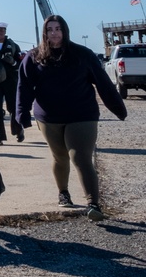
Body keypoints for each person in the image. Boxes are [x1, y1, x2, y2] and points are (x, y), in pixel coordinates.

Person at [16, 15, 127, 221]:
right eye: (50, 29)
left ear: (65, 31)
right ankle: (63, 192)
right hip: (49, 117)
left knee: (80, 157)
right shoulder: (34, 57)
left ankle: (93, 203)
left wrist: (118, 108)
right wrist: (21, 114)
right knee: (60, 157)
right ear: (44, 32)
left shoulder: (82, 55)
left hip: (81, 114)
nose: (54, 33)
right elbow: (24, 87)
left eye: (58, 29)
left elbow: (103, 83)